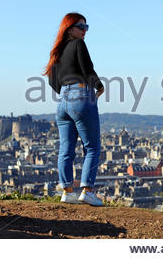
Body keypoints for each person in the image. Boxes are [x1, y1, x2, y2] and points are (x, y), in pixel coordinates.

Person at [43, 12, 105, 206]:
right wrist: (100, 86)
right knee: (92, 147)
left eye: (87, 27)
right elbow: (88, 69)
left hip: (63, 102)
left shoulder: (57, 52)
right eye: (81, 27)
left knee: (66, 149)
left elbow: (53, 82)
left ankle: (67, 192)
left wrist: (66, 88)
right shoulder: (78, 44)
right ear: (70, 28)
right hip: (81, 96)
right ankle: (87, 191)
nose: (85, 31)